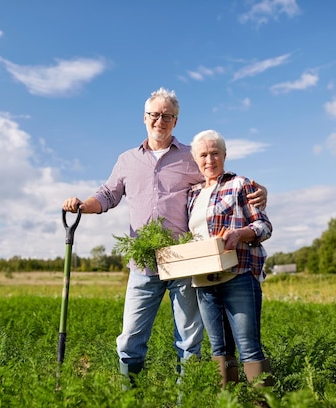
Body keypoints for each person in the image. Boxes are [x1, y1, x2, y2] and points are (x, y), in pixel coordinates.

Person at [62, 88, 267, 389]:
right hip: (142, 262)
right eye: (155, 115)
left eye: (167, 116)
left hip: (183, 261)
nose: (160, 120)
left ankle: (187, 398)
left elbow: (219, 179)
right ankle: (128, 397)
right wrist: (82, 205)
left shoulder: (190, 156)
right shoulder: (127, 160)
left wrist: (259, 190)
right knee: (131, 336)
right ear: (145, 118)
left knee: (188, 339)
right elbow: (108, 195)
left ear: (175, 120)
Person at [187, 129, 274, 389]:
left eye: (215, 153)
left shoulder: (241, 184)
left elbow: (264, 227)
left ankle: (263, 405)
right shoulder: (192, 194)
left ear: (225, 155)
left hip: (238, 275)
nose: (209, 160)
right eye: (203, 155)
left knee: (249, 347)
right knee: (220, 349)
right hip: (204, 280)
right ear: (196, 159)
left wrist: (240, 234)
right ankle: (229, 404)